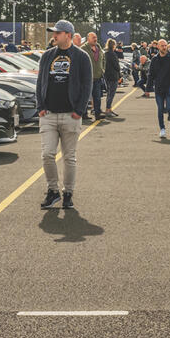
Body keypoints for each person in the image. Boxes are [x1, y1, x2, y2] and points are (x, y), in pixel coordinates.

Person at [36, 20, 91, 211]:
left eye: (57, 33)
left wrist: (79, 110)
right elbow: (40, 82)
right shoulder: (47, 56)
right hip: (49, 115)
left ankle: (68, 193)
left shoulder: (81, 57)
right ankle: (53, 191)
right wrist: (40, 106)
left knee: (69, 157)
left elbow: (87, 85)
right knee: (47, 155)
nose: (54, 36)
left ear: (68, 35)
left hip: (71, 116)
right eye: (54, 33)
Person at [148, 40, 170, 138]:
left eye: (165, 45)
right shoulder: (154, 59)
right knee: (160, 109)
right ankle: (162, 129)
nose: (164, 47)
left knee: (169, 108)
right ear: (158, 47)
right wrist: (148, 88)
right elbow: (151, 74)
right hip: (159, 88)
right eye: (162, 46)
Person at [82, 32, 106, 121]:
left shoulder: (99, 48)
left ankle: (97, 114)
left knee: (97, 97)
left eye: (96, 37)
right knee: (85, 97)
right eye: (93, 37)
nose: (95, 39)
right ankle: (83, 114)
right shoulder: (83, 49)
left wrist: (103, 70)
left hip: (98, 77)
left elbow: (103, 60)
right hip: (87, 78)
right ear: (88, 39)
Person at [103, 38, 121, 117]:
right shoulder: (113, 54)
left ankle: (109, 109)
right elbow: (116, 66)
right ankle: (108, 109)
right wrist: (120, 74)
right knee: (111, 94)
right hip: (113, 76)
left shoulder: (105, 54)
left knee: (109, 93)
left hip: (107, 75)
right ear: (113, 45)